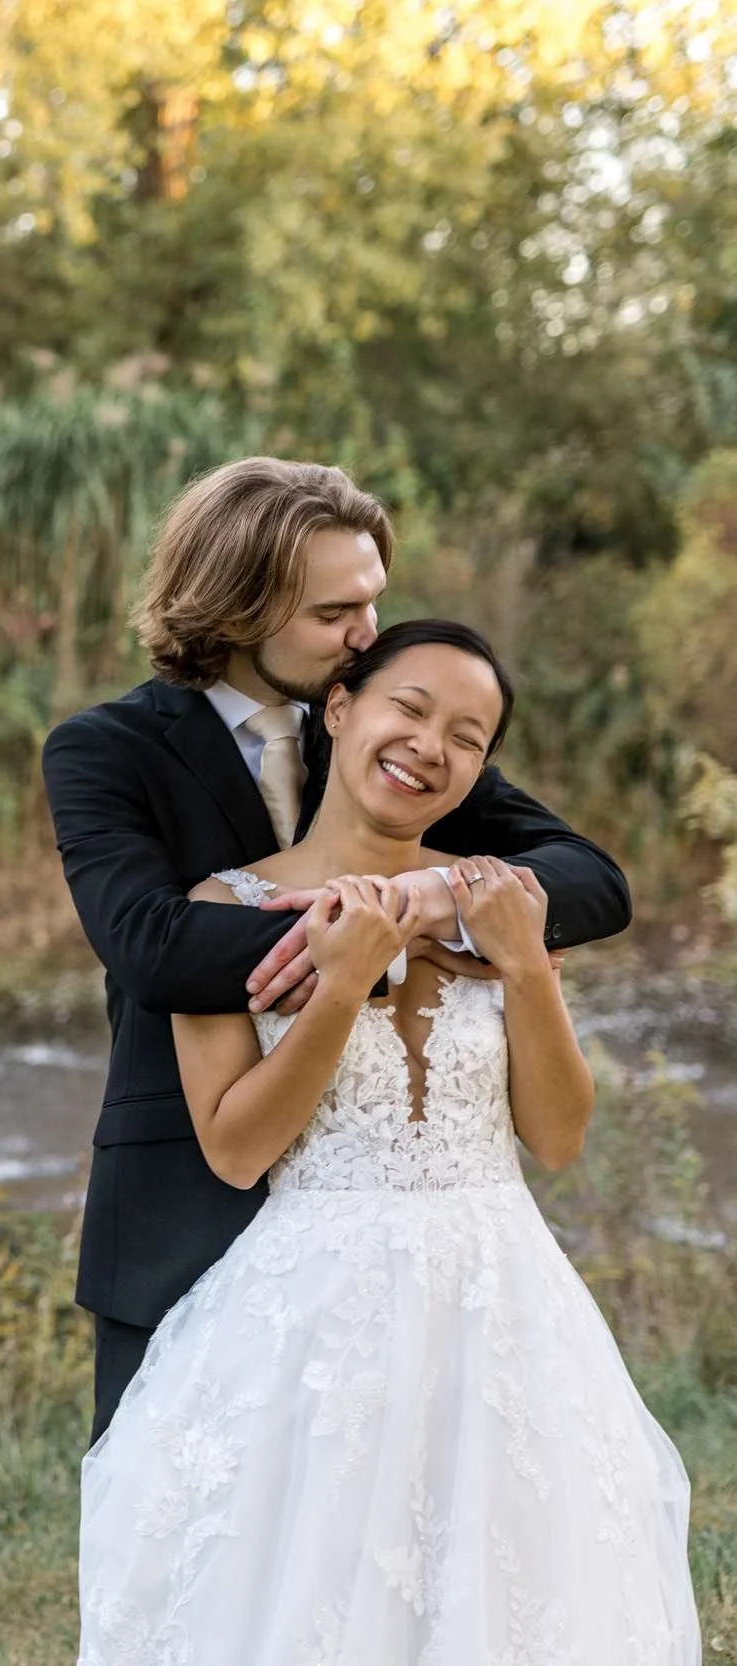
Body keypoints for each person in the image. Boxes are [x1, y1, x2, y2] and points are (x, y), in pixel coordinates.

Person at [75, 619, 698, 1662]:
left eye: (467, 735)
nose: (430, 746)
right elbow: (235, 1149)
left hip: (505, 1306)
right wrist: (341, 981)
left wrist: (525, 963)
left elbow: (554, 1135)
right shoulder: (221, 906)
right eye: (408, 709)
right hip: (312, 1317)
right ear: (340, 708)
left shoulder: (496, 899)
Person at [40, 458, 629, 1442]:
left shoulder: (379, 728)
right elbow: (150, 948)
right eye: (333, 613)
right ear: (237, 604)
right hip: (181, 1195)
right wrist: (371, 944)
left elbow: (587, 879)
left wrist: (429, 892)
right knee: (178, 1534)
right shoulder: (106, 750)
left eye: (371, 603)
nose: (365, 634)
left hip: (399, 1237)